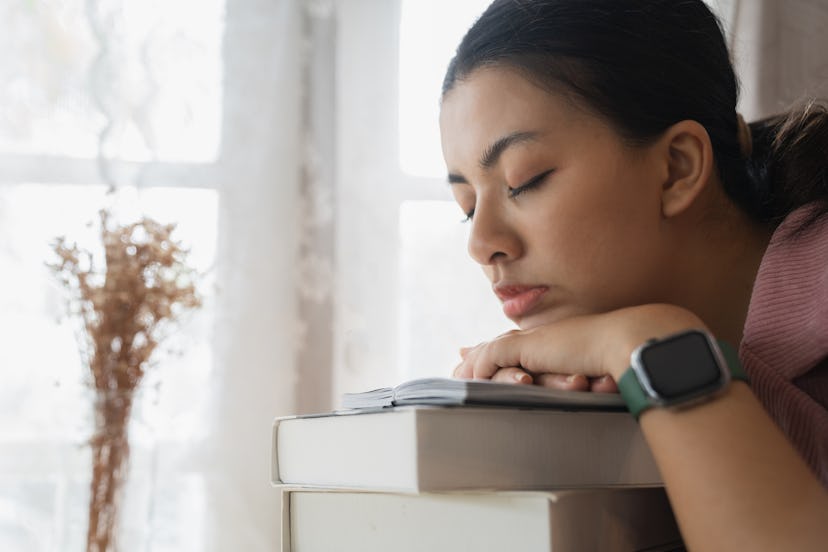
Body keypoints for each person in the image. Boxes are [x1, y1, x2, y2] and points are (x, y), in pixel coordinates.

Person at [441, 0, 828, 549]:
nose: (481, 245)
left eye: (525, 180)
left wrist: (657, 347)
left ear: (677, 168)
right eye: (466, 206)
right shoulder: (617, 365)